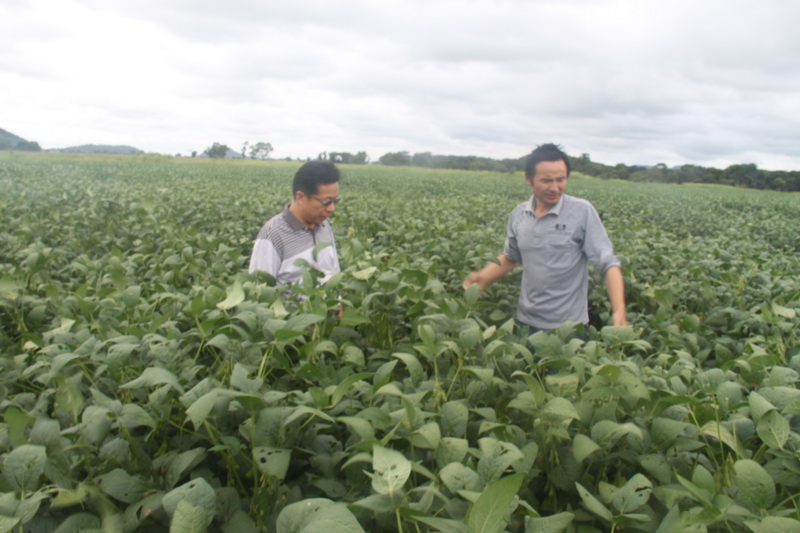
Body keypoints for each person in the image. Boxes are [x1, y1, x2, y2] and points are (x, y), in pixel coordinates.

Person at [463, 143, 627, 335]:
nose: (555, 188)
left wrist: (619, 310)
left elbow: (607, 263)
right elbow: (510, 257)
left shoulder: (582, 212)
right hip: (525, 323)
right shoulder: (519, 215)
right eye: (547, 180)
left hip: (568, 328)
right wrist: (482, 278)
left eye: (561, 179)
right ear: (528, 179)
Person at [249, 160, 341, 286]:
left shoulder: (324, 225)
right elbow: (259, 290)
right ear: (301, 197)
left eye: (335, 201)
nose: (332, 208)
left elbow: (334, 274)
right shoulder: (272, 235)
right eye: (326, 202)